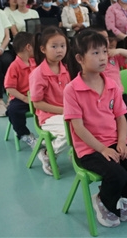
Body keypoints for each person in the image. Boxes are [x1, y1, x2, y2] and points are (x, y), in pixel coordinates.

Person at [65, 30, 127, 228]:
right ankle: (104, 201)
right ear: (80, 58)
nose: (103, 57)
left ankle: (123, 197)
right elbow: (78, 128)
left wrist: (122, 142)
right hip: (89, 149)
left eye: (104, 52)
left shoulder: (111, 84)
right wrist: (102, 149)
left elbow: (121, 118)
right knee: (117, 174)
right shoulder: (71, 89)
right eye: (95, 53)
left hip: (114, 142)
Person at [82, 26, 127, 139]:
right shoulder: (91, 61)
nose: (105, 41)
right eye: (101, 38)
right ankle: (118, 139)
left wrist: (119, 50)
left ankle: (125, 138)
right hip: (102, 100)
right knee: (112, 122)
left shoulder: (113, 56)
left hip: (119, 97)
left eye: (106, 38)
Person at [28, 27, 71, 176]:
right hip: (48, 117)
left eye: (62, 46)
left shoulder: (66, 69)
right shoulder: (38, 73)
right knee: (72, 130)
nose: (59, 50)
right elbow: (37, 104)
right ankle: (47, 153)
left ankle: (77, 153)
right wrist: (64, 111)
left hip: (66, 113)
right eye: (54, 46)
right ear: (43, 49)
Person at [4, 32, 37, 148]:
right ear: (28, 47)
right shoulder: (14, 66)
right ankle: (24, 135)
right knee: (13, 110)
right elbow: (9, 88)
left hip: (36, 96)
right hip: (21, 98)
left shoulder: (34, 62)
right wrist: (24, 98)